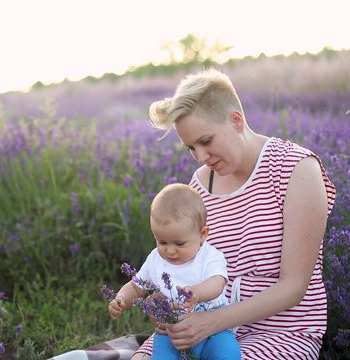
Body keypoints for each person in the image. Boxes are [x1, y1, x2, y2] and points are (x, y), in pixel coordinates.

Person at [132, 68, 337, 360]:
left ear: (236, 120)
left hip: (279, 333)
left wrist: (211, 322)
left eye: (206, 141)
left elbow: (294, 287)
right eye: (191, 147)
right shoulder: (200, 184)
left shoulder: (295, 169)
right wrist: (165, 303)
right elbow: (188, 264)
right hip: (203, 327)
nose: (201, 157)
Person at [109, 183, 241, 360]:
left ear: (202, 234)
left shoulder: (210, 256)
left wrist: (198, 293)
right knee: (161, 355)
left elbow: (217, 283)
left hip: (212, 332)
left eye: (179, 244)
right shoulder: (156, 259)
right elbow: (136, 286)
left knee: (228, 352)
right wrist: (121, 299)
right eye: (162, 242)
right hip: (170, 333)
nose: (170, 251)